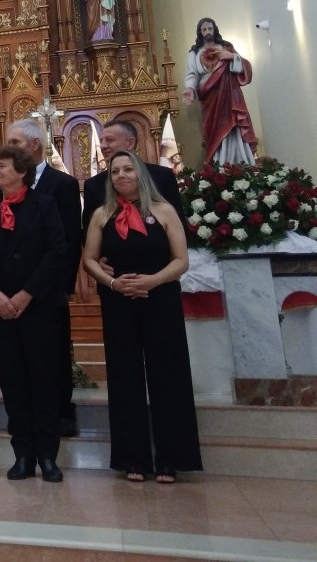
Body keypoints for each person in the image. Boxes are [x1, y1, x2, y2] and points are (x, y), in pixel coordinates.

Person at [82, 150, 202, 483]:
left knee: (168, 376)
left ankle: (171, 458)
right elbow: (89, 258)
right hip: (118, 301)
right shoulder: (101, 214)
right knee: (124, 377)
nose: (121, 176)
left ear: (141, 175)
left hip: (160, 298)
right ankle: (133, 457)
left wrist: (152, 280)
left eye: (128, 170)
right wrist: (112, 283)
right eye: (115, 171)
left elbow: (181, 259)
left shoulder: (164, 210)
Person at [0, 146, 69, 482]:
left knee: (43, 380)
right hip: (0, 309)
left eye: (2, 166)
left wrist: (27, 293)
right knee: (12, 381)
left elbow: (56, 253)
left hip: (39, 307)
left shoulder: (45, 205)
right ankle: (22, 453)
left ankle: (48, 455)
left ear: (22, 171)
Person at [6, 120, 83, 437]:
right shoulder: (5, 187)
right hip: (13, 290)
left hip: (49, 289)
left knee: (54, 354)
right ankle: (25, 416)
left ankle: (61, 413)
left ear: (34, 145)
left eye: (15, 142)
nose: (9, 147)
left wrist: (63, 287)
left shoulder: (61, 185)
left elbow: (68, 241)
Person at [81, 120, 184, 236]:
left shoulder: (162, 176)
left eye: (109, 140)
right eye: (101, 141)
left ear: (130, 143)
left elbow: (179, 223)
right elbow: (88, 232)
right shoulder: (93, 184)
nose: (103, 146)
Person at [183, 17, 257, 166]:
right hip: (210, 94)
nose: (207, 32)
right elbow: (192, 73)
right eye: (204, 29)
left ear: (214, 29)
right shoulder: (195, 52)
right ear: (200, 32)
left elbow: (245, 65)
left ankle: (240, 161)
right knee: (214, 128)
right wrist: (190, 88)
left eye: (210, 28)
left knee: (233, 124)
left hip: (229, 92)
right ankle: (218, 161)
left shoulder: (225, 47)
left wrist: (233, 57)